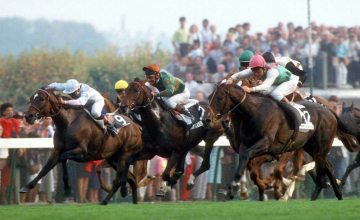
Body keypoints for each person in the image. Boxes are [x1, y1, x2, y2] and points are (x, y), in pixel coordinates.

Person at [46, 79, 117, 137]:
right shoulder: (70, 86)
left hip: (96, 101)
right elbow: (55, 85)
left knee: (95, 112)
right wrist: (44, 89)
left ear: (78, 89)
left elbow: (81, 102)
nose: (71, 95)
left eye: (73, 94)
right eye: (69, 94)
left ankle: (110, 125)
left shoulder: (85, 91)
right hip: (85, 102)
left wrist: (64, 102)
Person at [226, 55, 298, 105]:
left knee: (276, 93)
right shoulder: (256, 69)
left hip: (290, 81)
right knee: (263, 93)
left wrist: (250, 89)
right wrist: (230, 79)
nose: (256, 74)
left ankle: (289, 104)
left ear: (264, 67)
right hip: (278, 82)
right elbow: (240, 74)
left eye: (259, 71)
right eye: (254, 71)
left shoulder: (272, 71)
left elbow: (265, 86)